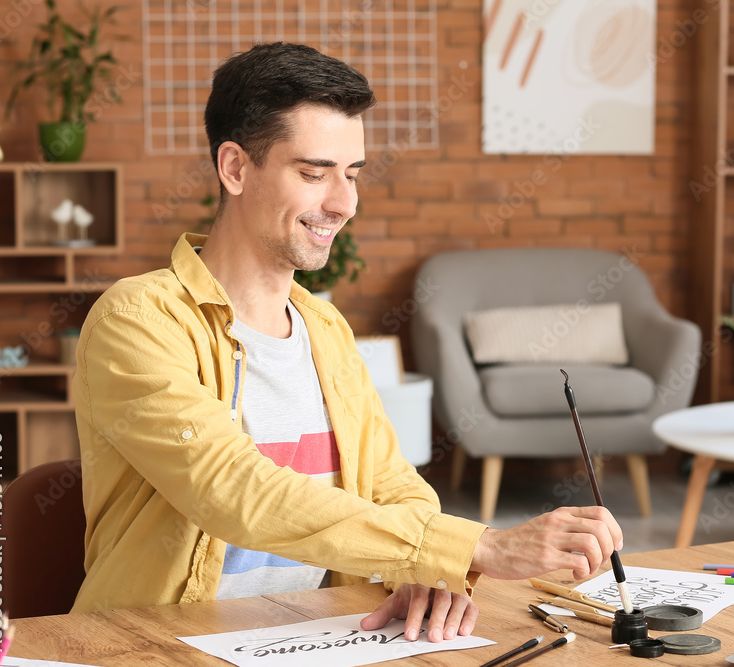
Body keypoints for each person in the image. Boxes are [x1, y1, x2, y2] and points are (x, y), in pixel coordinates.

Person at [71, 42, 623, 643]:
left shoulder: (325, 330)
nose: (343, 203)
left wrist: (430, 570)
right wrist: (480, 546)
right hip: (160, 645)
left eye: (352, 174)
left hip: (322, 636)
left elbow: (391, 485)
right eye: (313, 174)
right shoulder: (136, 320)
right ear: (234, 168)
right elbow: (231, 491)